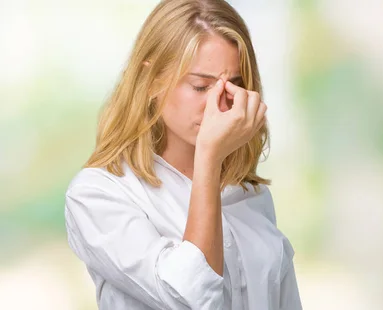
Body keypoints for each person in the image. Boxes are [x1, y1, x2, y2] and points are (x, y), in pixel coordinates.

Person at [63, 1, 302, 309]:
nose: (219, 105)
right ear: (152, 81)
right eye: (201, 87)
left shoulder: (251, 194)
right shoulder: (99, 196)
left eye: (235, 87)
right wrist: (209, 158)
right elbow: (191, 295)